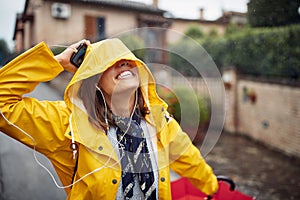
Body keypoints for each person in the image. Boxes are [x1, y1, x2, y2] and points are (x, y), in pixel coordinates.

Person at [0, 38, 218, 199]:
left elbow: (190, 159)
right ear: (93, 80)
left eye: (127, 61)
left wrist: (214, 189)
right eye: (110, 62)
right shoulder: (69, 124)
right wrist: (55, 62)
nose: (123, 64)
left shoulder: (160, 122)